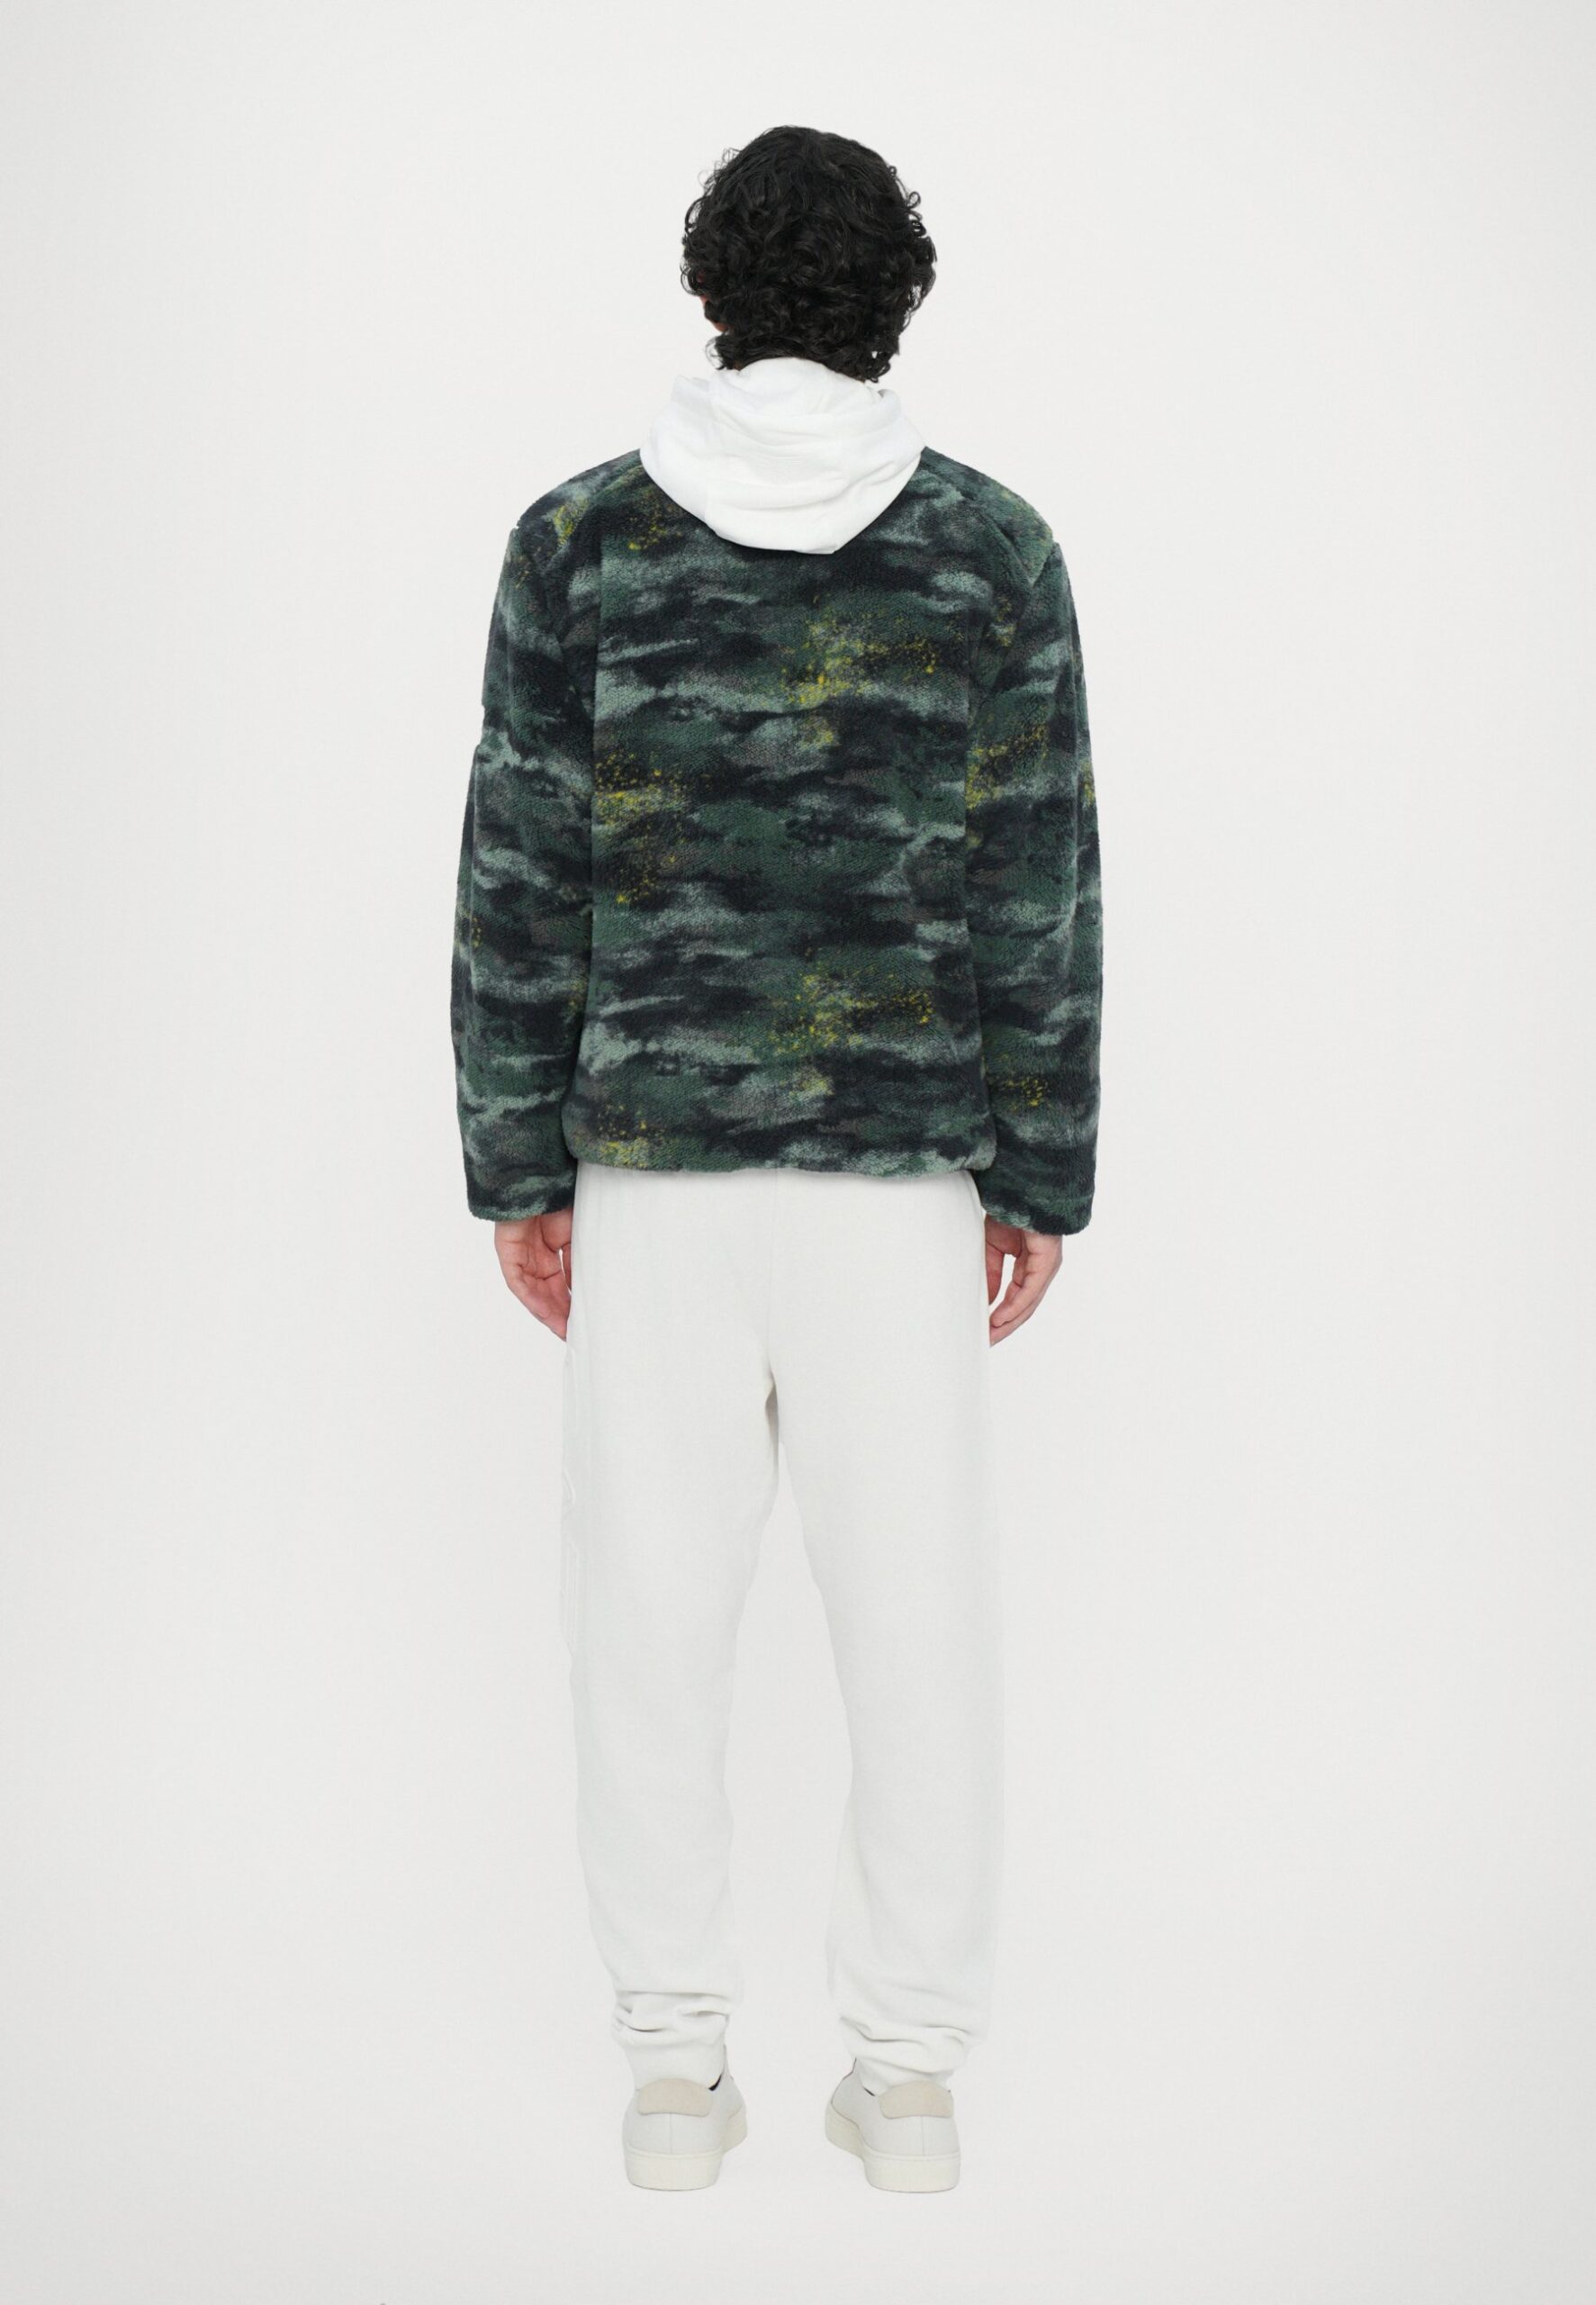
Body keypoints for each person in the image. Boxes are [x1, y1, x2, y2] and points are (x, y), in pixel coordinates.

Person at [450, 123, 1102, 2193]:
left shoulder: (576, 542)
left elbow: (518, 864)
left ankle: (672, 2074)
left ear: (711, 287)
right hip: (895, 1179)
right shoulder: (989, 549)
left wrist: (515, 1160)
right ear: (896, 292)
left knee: (644, 1624)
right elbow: (1033, 883)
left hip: (654, 1170)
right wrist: (1040, 1171)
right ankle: (904, 2084)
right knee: (917, 1629)